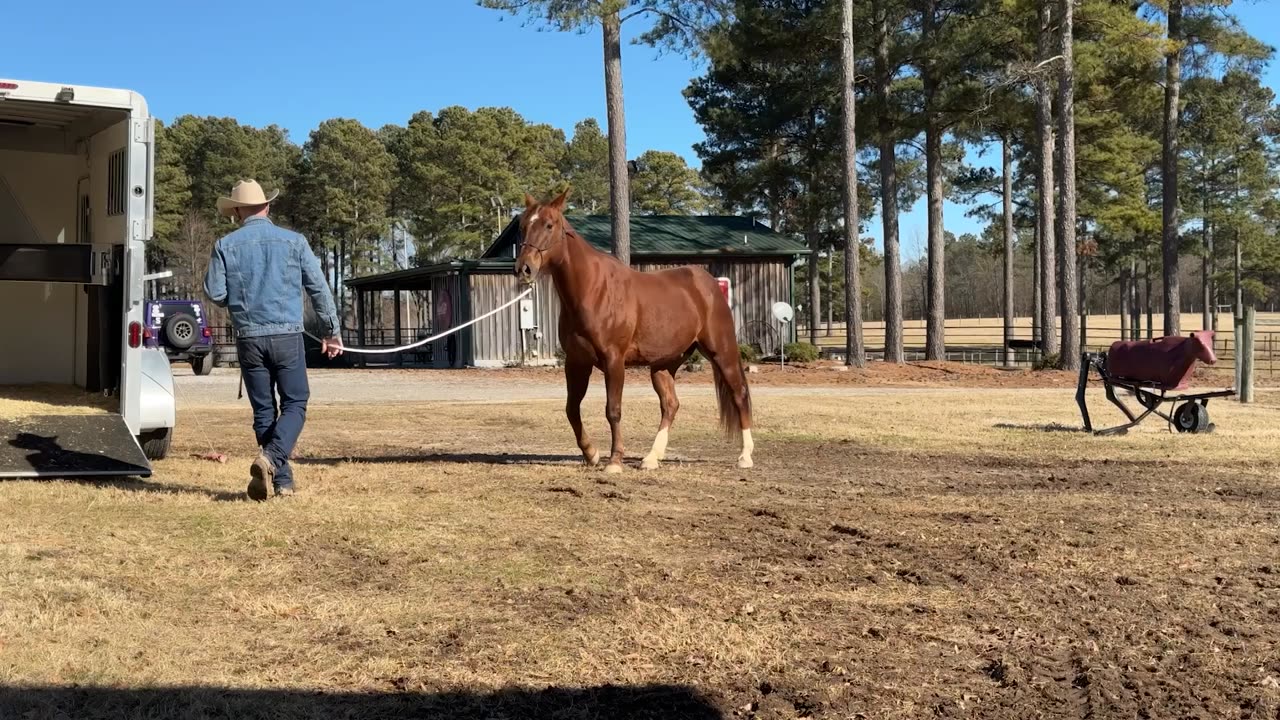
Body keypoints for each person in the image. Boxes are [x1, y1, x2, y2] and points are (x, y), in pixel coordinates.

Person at [203, 179, 343, 501]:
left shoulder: (225, 245)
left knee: (264, 412)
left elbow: (215, 292)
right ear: (267, 206)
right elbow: (319, 289)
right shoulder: (294, 242)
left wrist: (240, 298)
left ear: (237, 211)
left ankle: (282, 483)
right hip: (286, 337)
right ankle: (270, 461)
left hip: (249, 339)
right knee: (295, 403)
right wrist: (331, 331)